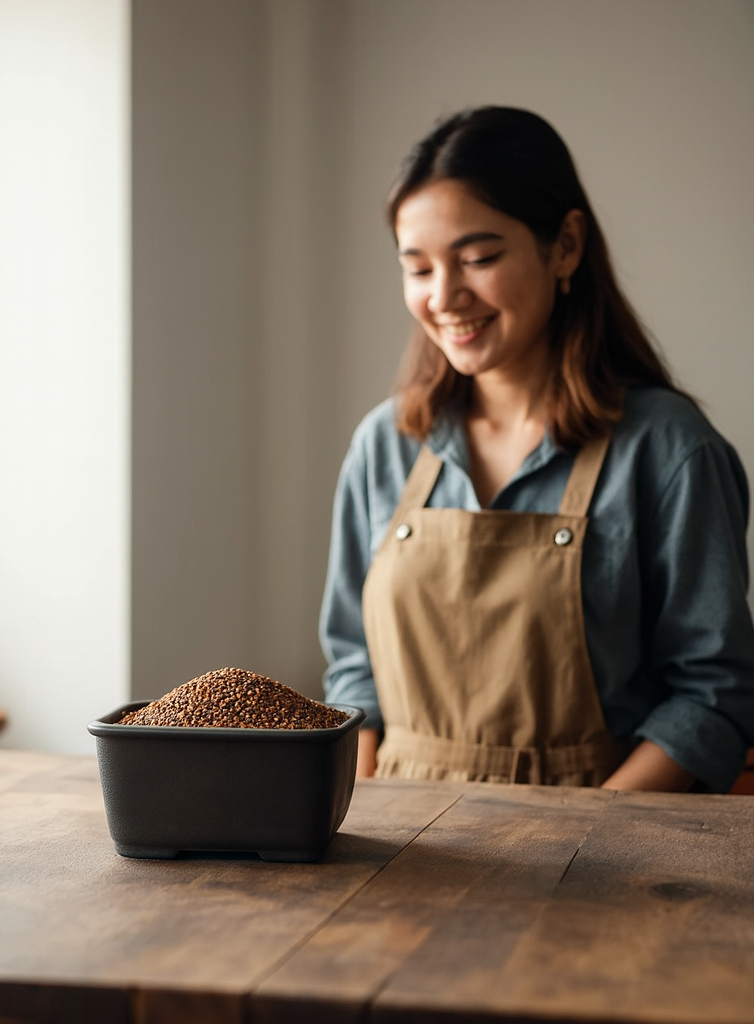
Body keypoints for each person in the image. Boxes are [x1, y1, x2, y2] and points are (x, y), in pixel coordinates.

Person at [319, 106, 754, 792]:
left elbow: (713, 700)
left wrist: (575, 844)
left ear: (566, 247)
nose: (445, 296)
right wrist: (371, 814)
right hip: (404, 855)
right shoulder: (385, 444)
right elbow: (353, 670)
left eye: (478, 258)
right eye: (418, 268)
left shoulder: (669, 451)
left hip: (595, 864)